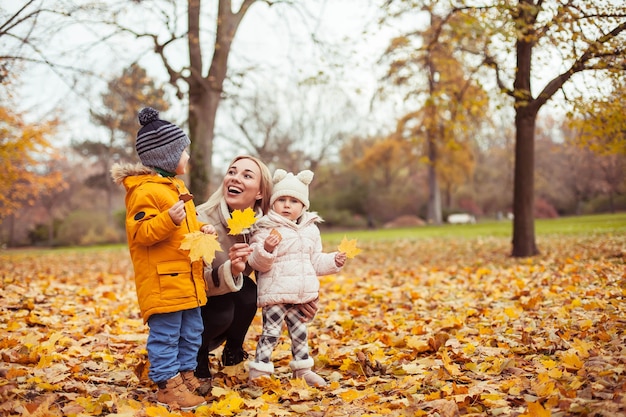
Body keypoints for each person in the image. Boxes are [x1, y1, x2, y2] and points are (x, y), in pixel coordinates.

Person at [111, 107, 213, 411]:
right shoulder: (145, 192)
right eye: (183, 152)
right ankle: (167, 385)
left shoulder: (176, 188)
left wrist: (202, 229)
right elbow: (140, 232)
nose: (187, 158)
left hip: (186, 279)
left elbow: (184, 230)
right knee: (167, 334)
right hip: (164, 280)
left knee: (192, 331)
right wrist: (168, 219)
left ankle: (185, 374)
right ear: (166, 157)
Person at [194, 156, 320, 382]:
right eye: (232, 172)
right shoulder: (201, 219)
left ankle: (233, 352)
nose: (235, 178)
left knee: (248, 291)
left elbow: (286, 268)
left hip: (230, 294)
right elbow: (191, 281)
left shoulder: (264, 227)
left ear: (260, 192)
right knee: (226, 304)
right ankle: (197, 355)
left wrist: (303, 297)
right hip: (197, 304)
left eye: (247, 175)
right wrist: (230, 270)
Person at [246, 169, 347, 387]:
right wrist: (266, 248)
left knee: (300, 333)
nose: (286, 205)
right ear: (273, 203)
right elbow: (257, 263)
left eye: (293, 201)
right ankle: (260, 369)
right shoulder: (265, 227)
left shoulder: (311, 230)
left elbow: (315, 260)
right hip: (275, 294)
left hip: (301, 294)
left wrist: (333, 261)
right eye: (281, 199)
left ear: (303, 206)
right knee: (271, 333)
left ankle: (303, 369)